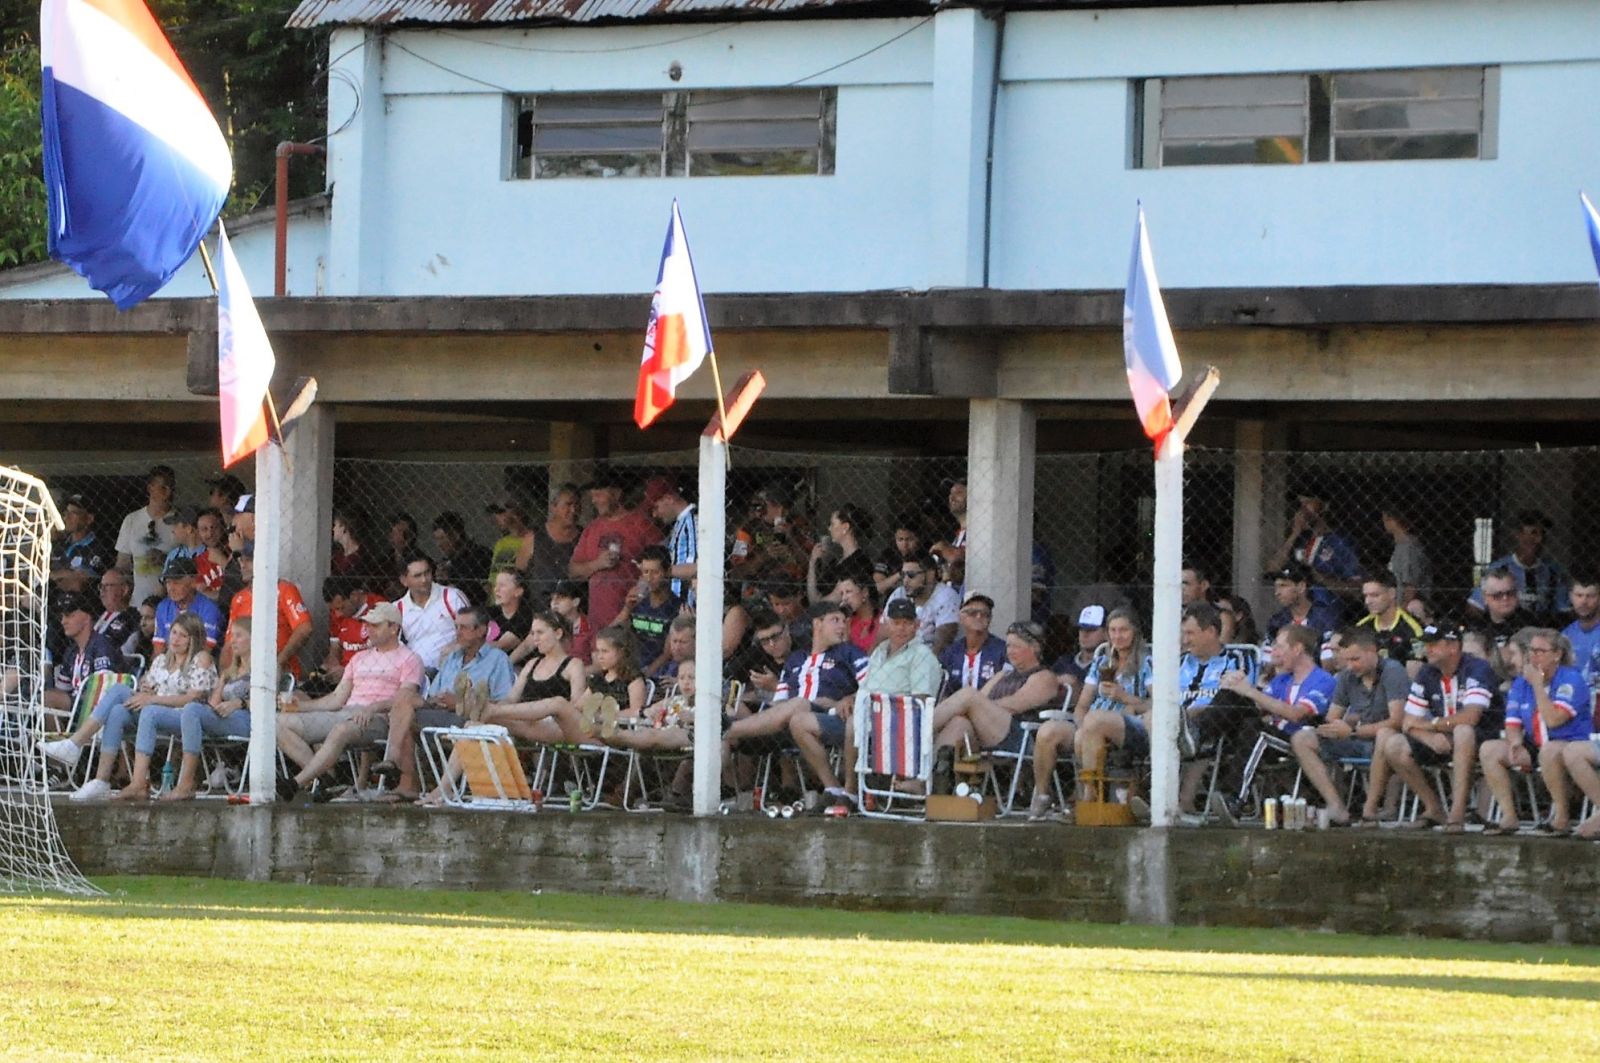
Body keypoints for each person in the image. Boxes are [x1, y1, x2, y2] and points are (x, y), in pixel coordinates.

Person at [45, 612, 215, 801]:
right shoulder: (162, 660)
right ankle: (101, 779)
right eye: (174, 633)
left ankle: (76, 745)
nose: (175, 639)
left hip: (182, 716)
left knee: (132, 700)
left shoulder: (201, 658)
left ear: (194, 638)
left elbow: (193, 698)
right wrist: (146, 688)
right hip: (154, 712)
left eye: (183, 635)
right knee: (117, 709)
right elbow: (148, 686)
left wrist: (152, 699)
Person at [276, 602, 424, 803]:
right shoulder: (359, 658)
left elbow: (405, 698)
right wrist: (299, 707)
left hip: (379, 718)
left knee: (341, 730)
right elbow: (337, 698)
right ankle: (324, 777)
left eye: (375, 625)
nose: (368, 630)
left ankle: (296, 783)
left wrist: (372, 708)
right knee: (277, 723)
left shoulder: (409, 658)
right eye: (367, 625)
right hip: (344, 712)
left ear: (393, 628)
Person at [720, 602, 868, 790]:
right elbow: (780, 703)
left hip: (827, 716)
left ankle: (726, 729)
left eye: (843, 621)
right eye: (835, 620)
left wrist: (850, 698)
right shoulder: (796, 659)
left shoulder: (850, 653)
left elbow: (873, 686)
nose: (842, 626)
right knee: (739, 703)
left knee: (799, 704)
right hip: (784, 726)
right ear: (817, 624)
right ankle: (703, 728)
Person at [1370, 621, 1500, 831]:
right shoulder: (1427, 671)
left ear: (1453, 647)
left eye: (1433, 644)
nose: (1427, 649)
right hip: (1442, 737)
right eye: (1426, 644)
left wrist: (1433, 725)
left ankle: (1457, 813)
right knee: (1394, 744)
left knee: (1463, 731)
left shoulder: (1477, 668)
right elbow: (1408, 721)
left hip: (1484, 738)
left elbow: (1471, 717)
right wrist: (1429, 737)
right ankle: (1434, 808)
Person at [373, 605, 517, 792]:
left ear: (481, 630)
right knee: (405, 699)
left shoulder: (497, 660)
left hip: (470, 719)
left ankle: (405, 782)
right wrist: (436, 701)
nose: (457, 633)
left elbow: (503, 704)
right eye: (456, 627)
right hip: (438, 713)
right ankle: (393, 763)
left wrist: (459, 702)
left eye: (464, 628)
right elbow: (433, 693)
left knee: (405, 717)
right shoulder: (452, 658)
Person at [820, 598, 943, 803]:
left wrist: (882, 705)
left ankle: (850, 791)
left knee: (853, 724)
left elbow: (921, 701)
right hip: (866, 711)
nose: (901, 628)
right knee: (803, 722)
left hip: (897, 721)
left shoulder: (922, 655)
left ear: (917, 625)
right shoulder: (879, 650)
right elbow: (865, 687)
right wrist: (850, 698)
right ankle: (831, 787)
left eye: (907, 622)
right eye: (896, 622)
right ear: (886, 624)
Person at [1033, 606, 1151, 821]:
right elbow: (1082, 705)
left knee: (1092, 724)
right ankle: (1042, 797)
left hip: (1125, 726)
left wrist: (1124, 697)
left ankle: (1086, 798)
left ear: (1135, 632)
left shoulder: (1147, 661)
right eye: (1113, 630)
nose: (1118, 636)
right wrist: (1081, 723)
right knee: (1048, 731)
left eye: (1123, 630)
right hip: (1090, 724)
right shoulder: (1101, 662)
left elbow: (1156, 704)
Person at [1291, 626, 1408, 828]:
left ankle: (1371, 810)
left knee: (1385, 735)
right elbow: (1333, 717)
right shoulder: (1347, 676)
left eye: (1356, 659)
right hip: (1357, 739)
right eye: (1347, 660)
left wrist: (1353, 730)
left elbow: (1397, 721)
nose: (1351, 666)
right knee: (1302, 738)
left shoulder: (1393, 671)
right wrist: (1329, 727)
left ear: (1373, 651)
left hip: (1389, 742)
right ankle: (1337, 807)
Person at [1482, 628, 1590, 834]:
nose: (1533, 656)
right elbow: (1512, 722)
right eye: (1531, 650)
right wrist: (1516, 743)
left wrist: (1539, 686)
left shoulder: (1571, 680)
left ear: (1557, 655)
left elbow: (1553, 720)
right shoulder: (1521, 683)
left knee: (1549, 751)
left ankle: (1561, 818)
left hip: (1569, 743)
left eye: (1540, 651)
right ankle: (1509, 817)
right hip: (1535, 742)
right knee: (1490, 750)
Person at [147, 618, 261, 802]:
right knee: (193, 709)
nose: (232, 640)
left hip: (247, 720)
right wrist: (214, 708)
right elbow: (214, 703)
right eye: (232, 635)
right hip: (224, 718)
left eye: (239, 636)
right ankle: (185, 780)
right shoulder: (229, 672)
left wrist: (239, 703)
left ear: (254, 639)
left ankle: (185, 784)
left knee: (191, 708)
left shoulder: (265, 669)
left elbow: (271, 700)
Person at [1177, 602, 1260, 818]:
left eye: (1190, 633)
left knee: (1231, 693)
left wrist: (1192, 714)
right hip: (1178, 724)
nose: (1185, 640)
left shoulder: (1238, 659)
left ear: (1211, 632)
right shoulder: (1177, 663)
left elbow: (1243, 698)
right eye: (1183, 633)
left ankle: (1194, 736)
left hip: (1222, 726)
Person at [477, 611, 590, 744]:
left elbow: (575, 707)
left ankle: (488, 709)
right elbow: (511, 698)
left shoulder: (573, 665)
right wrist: (501, 708)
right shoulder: (532, 664)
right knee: (474, 724)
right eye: (532, 633)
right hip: (526, 721)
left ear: (558, 633)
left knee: (493, 720)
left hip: (555, 725)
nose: (535, 638)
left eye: (540, 632)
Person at [568, 471, 661, 629]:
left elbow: (662, 562)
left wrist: (641, 589)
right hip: (598, 619)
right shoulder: (592, 528)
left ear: (617, 494)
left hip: (635, 616)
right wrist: (597, 564)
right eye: (592, 496)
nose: (594, 501)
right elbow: (572, 571)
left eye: (599, 495)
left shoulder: (641, 524)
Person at [1219, 624, 1336, 741]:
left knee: (1251, 725)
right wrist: (1237, 685)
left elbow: (1296, 715)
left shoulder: (1324, 680)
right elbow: (1261, 706)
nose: (1274, 652)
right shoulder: (1282, 678)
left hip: (1297, 738)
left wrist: (1249, 690)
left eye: (1279, 647)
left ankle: (1205, 736)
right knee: (1230, 697)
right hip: (1272, 732)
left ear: (1297, 649)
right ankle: (1205, 736)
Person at [224, 542, 313, 680]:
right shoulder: (238, 598)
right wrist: (225, 677)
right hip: (242, 674)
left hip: (279, 674)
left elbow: (304, 628)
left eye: (249, 561)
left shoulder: (284, 590)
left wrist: (277, 662)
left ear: (264, 561)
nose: (242, 565)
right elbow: (229, 643)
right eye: (241, 560)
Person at [1467, 509, 1569, 619]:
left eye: (1542, 534)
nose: (1538, 539)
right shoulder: (1499, 568)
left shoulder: (1553, 571)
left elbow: (1563, 609)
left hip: (1543, 630)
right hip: (1507, 628)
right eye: (1533, 533)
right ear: (1518, 535)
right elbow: (1474, 607)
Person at [41, 593, 124, 716]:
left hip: (95, 707)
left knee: (47, 699)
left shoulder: (102, 646)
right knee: (41, 698)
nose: (63, 621)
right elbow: (62, 689)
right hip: (75, 704)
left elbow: (103, 691)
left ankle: (62, 735)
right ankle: (58, 734)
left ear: (86, 618)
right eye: (62, 616)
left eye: (69, 615)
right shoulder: (71, 651)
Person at [1268, 491, 1360, 591]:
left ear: (1324, 508)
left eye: (1307, 503)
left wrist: (1321, 579)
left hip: (1326, 602)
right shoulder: (1300, 539)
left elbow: (1355, 587)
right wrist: (1294, 534)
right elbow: (1272, 568)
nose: (1302, 510)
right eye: (1300, 505)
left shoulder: (1339, 541)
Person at [114, 464, 180, 604]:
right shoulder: (132, 520)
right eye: (163, 487)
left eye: (171, 488)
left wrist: (166, 559)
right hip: (138, 600)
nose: (168, 493)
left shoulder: (180, 521)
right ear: (150, 488)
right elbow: (122, 562)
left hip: (171, 600)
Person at [394, 555, 470, 672]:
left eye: (427, 573)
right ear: (404, 581)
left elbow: (473, 633)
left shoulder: (452, 597)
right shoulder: (397, 608)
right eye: (417, 576)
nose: (424, 580)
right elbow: (393, 647)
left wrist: (457, 646)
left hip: (453, 668)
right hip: (414, 674)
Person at [615, 544, 680, 675]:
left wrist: (644, 675)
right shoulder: (637, 601)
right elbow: (612, 633)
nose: (649, 578)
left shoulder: (676, 607)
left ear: (667, 572)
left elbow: (667, 653)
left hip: (660, 670)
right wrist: (627, 608)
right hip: (631, 665)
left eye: (655, 572)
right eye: (645, 572)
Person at [730, 483, 810, 587]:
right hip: (760, 588)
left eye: (785, 507)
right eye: (775, 505)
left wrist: (791, 540)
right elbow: (735, 575)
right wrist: (765, 556)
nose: (781, 512)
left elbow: (812, 566)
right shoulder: (747, 531)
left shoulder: (798, 525)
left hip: (794, 586)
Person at [881, 552, 960, 654]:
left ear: (930, 574)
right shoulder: (899, 593)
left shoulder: (946, 596)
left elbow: (942, 644)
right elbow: (882, 634)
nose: (905, 581)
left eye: (911, 575)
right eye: (903, 575)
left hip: (932, 661)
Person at [520, 483, 583, 609]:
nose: (573, 510)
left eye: (577, 505)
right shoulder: (533, 537)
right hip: (539, 610)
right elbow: (519, 573)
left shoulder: (585, 537)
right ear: (554, 507)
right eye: (568, 504)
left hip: (573, 609)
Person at [1355, 570, 1425, 675]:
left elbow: (1415, 670)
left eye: (1374, 595)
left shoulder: (1413, 628)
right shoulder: (1361, 627)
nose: (1368, 601)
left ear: (1392, 593)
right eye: (1366, 596)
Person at [319, 576, 385, 688]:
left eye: (341, 608)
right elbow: (335, 648)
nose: (337, 614)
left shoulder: (380, 608)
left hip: (370, 677)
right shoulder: (336, 616)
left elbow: (385, 654)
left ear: (354, 596)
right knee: (301, 693)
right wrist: (332, 663)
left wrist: (348, 672)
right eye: (333, 610)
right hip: (342, 676)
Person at [938, 592, 1007, 696]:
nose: (979, 616)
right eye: (972, 613)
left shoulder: (1002, 650)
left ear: (990, 619)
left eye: (984, 613)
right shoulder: (950, 653)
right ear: (960, 617)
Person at [152, 556, 225, 653]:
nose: (171, 588)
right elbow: (159, 649)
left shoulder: (209, 608)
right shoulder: (163, 607)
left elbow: (205, 651)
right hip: (169, 662)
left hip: (197, 663)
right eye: (168, 582)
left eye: (176, 583)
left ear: (193, 582)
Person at [1468, 566, 1538, 665]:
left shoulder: (1530, 623)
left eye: (1510, 593)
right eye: (1497, 595)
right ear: (1485, 598)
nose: (1505, 598)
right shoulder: (1478, 626)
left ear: (1517, 594)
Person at [645, 476, 697, 604]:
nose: (655, 515)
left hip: (687, 604)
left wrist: (659, 571)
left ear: (669, 498)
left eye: (656, 507)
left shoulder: (691, 522)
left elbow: (696, 567)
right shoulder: (680, 523)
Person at [808, 504, 874, 604]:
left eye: (832, 524)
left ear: (845, 527)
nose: (829, 529)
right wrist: (813, 562)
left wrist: (812, 563)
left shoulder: (856, 563)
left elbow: (822, 603)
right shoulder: (837, 561)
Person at [50, 493, 115, 594]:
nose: (66, 517)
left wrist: (55, 576)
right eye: (66, 512)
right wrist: (68, 574)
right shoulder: (58, 544)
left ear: (89, 519)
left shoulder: (100, 547)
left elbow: (81, 584)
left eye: (74, 513)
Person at [1262, 563, 1342, 644]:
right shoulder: (1277, 620)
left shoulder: (1324, 617)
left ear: (1301, 587)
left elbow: (1328, 653)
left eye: (1283, 585)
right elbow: (1268, 651)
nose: (1277, 592)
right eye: (1276, 587)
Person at [1052, 605, 1109, 711]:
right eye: (1081, 629)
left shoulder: (1109, 665)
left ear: (1107, 633)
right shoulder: (1064, 662)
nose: (1084, 634)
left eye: (1091, 629)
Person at [432, 511, 494, 606]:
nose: (439, 544)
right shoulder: (448, 562)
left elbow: (485, 591)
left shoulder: (480, 555)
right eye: (437, 539)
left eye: (442, 538)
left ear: (456, 535)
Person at [1380, 504, 1431, 608]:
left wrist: (1401, 611)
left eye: (1385, 519)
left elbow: (1410, 586)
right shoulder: (1399, 546)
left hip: (1408, 606)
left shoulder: (1408, 547)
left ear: (1393, 521)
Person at [92, 568, 141, 659]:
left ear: (124, 590)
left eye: (107, 586)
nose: (102, 590)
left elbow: (122, 651)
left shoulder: (132, 617)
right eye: (101, 586)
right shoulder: (102, 615)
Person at [1561, 569, 1600, 684]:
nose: (1584, 601)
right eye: (1579, 595)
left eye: (1590, 596)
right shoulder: (1565, 636)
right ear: (1570, 597)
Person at [874, 517, 927, 599]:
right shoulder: (887, 555)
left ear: (918, 538)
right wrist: (901, 574)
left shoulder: (925, 555)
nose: (904, 544)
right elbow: (879, 588)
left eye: (909, 539)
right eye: (900, 539)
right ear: (895, 539)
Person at [484, 498, 535, 580]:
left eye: (500, 512)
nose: (496, 517)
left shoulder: (533, 539)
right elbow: (493, 576)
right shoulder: (501, 543)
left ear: (515, 512)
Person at [486, 569, 534, 655]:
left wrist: (473, 645)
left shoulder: (525, 615)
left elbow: (502, 646)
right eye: (496, 585)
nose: (496, 589)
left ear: (518, 591)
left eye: (502, 585)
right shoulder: (490, 612)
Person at [546, 579, 594, 663]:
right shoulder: (546, 624)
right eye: (552, 598)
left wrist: (572, 674)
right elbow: (527, 646)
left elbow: (597, 666)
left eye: (561, 598)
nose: (554, 602)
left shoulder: (590, 625)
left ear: (575, 602)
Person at [194, 507, 231, 602]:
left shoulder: (235, 550)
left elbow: (241, 585)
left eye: (214, 527)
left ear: (222, 528)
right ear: (198, 533)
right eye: (204, 529)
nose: (210, 534)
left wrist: (222, 560)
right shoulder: (197, 562)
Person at [930, 477, 967, 570]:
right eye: (951, 493)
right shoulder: (957, 535)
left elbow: (961, 561)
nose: (952, 497)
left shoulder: (977, 532)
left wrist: (944, 549)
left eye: (958, 493)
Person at [836, 576, 880, 654]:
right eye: (842, 594)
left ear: (864, 592)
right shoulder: (846, 622)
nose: (844, 598)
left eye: (848, 592)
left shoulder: (882, 620)